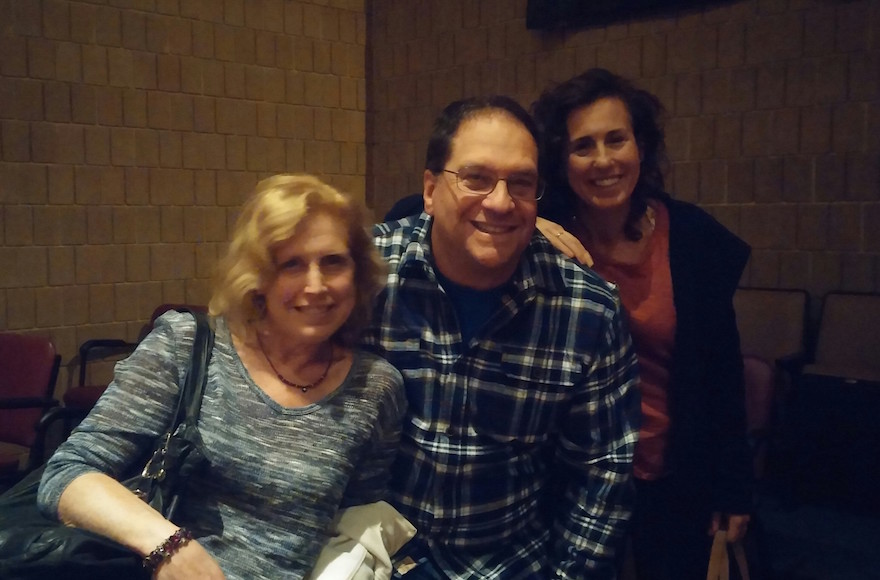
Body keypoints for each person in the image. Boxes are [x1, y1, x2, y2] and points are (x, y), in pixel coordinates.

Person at [37, 175, 407, 580]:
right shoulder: (187, 344)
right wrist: (169, 547)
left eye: (333, 262)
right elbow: (67, 475)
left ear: (357, 272)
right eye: (291, 264)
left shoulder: (376, 386)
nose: (315, 286)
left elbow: (357, 520)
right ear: (259, 278)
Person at [363, 96, 641, 579]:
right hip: (364, 553)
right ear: (430, 190)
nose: (499, 201)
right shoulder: (361, 271)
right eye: (476, 178)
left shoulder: (587, 310)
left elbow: (602, 475)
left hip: (503, 563)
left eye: (521, 183)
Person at [532, 68, 752, 580]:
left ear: (642, 146)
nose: (603, 160)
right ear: (559, 160)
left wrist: (733, 486)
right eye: (582, 145)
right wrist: (527, 221)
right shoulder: (544, 240)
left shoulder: (693, 237)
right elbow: (419, 211)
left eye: (616, 139)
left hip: (670, 473)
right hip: (569, 480)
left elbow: (722, 370)